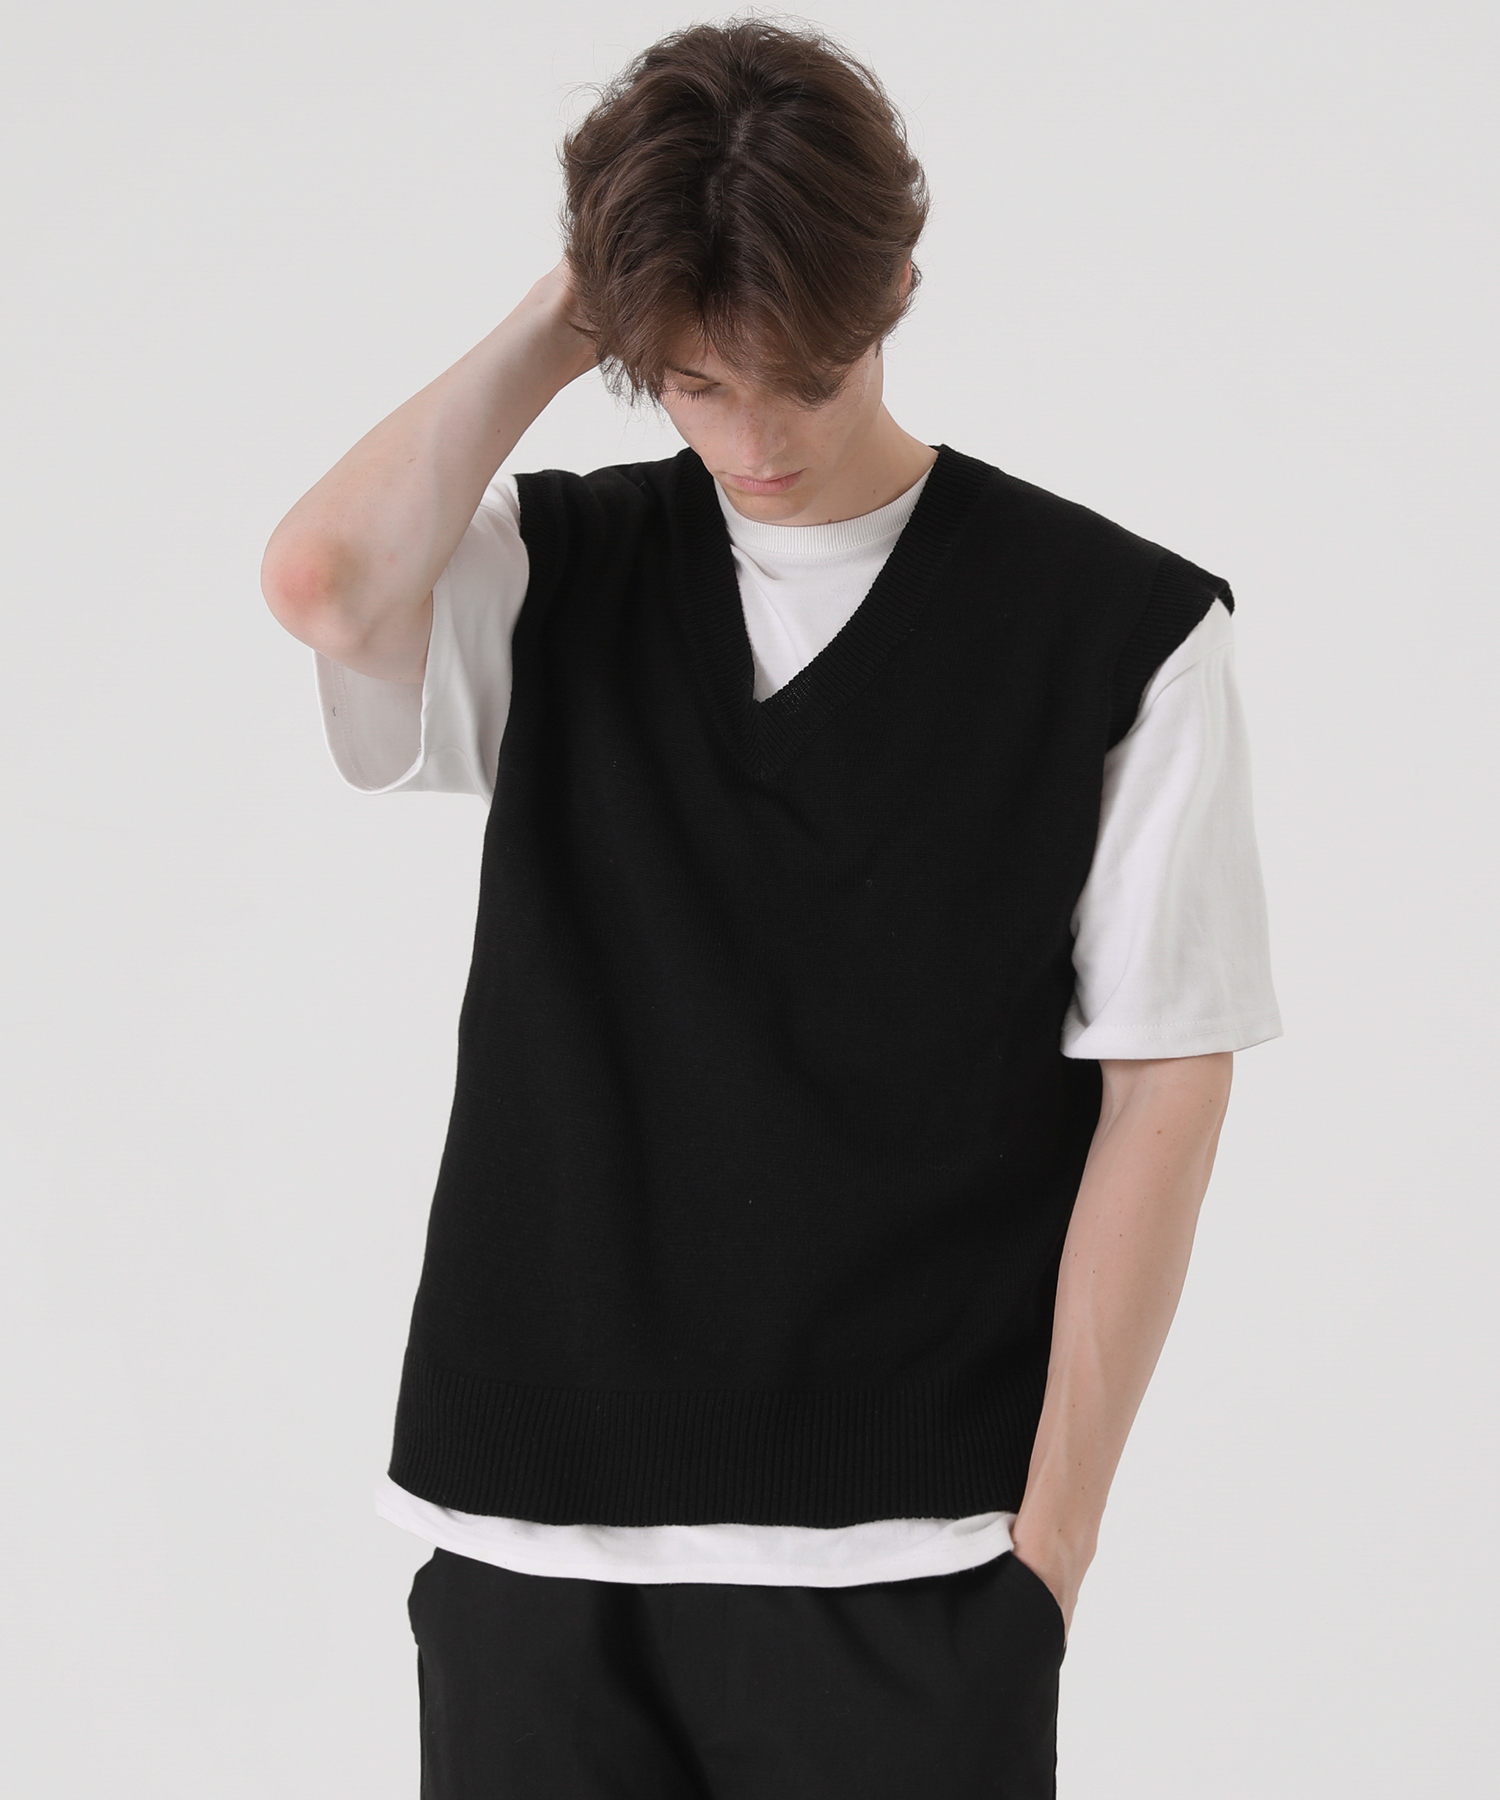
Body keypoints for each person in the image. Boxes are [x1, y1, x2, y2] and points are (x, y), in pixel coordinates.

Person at [261, 17, 1281, 1797]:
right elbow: (326, 585)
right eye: (690, 381)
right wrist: (584, 298)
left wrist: (1047, 1557)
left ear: (893, 294)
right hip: (527, 1541)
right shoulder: (557, 570)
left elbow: (1165, 1091)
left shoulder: (1116, 633)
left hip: (913, 1556)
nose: (750, 437)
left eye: (797, 378)